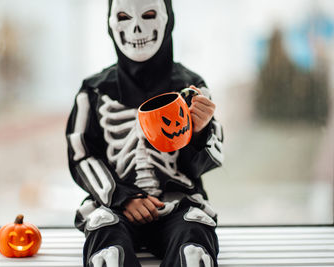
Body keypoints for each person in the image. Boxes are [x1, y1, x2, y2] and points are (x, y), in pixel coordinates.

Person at [65, 0, 224, 266]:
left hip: (178, 206)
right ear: (111, 24)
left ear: (167, 20)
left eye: (149, 15)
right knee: (107, 248)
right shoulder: (93, 91)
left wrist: (199, 131)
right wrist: (120, 196)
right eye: (125, 17)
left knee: (194, 248)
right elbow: (81, 155)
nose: (137, 28)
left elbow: (210, 159)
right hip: (115, 209)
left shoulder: (191, 87)